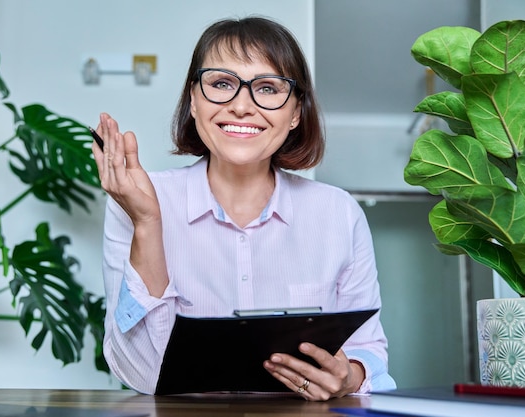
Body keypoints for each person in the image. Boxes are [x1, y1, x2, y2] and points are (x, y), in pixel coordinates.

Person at [92, 16, 396, 401]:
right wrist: (148, 223)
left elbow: (368, 350)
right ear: (194, 101)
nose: (241, 106)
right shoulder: (136, 201)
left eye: (268, 88)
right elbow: (146, 375)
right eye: (221, 84)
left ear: (296, 113)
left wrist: (349, 377)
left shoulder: (339, 213)